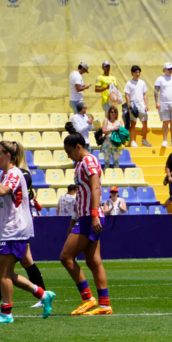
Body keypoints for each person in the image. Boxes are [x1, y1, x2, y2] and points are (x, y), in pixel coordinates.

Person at [0, 142, 56, 322]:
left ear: (8, 155)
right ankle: (43, 295)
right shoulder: (5, 175)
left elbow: (3, 191)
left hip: (15, 229)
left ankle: (6, 313)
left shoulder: (14, 173)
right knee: (8, 274)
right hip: (9, 229)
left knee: (3, 272)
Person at [58, 133, 112, 315]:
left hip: (90, 216)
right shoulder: (81, 164)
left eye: (69, 151)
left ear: (78, 146)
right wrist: (73, 221)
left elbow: (96, 187)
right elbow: (81, 195)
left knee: (65, 257)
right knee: (94, 261)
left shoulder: (88, 161)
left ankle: (88, 298)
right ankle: (104, 305)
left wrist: (95, 214)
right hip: (85, 217)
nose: (68, 155)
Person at [154, 62, 172, 148]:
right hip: (164, 103)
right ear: (164, 70)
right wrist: (157, 102)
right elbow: (156, 90)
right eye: (169, 69)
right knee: (165, 122)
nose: (170, 70)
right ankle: (165, 140)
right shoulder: (160, 79)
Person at [124, 65, 151, 147]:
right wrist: (128, 106)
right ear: (132, 73)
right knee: (133, 123)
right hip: (133, 106)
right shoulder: (129, 83)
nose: (138, 73)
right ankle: (132, 141)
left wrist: (146, 104)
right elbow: (127, 95)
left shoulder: (142, 82)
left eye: (139, 72)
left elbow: (145, 94)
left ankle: (144, 140)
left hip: (141, 106)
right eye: (136, 72)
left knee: (145, 123)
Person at [99, 104, 123, 171]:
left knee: (116, 163)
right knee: (107, 163)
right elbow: (103, 130)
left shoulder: (119, 121)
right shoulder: (106, 120)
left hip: (116, 144)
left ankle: (117, 178)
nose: (113, 113)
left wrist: (119, 130)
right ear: (109, 113)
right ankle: (106, 176)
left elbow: (122, 132)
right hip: (107, 143)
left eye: (114, 112)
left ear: (116, 113)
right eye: (111, 112)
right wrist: (113, 129)